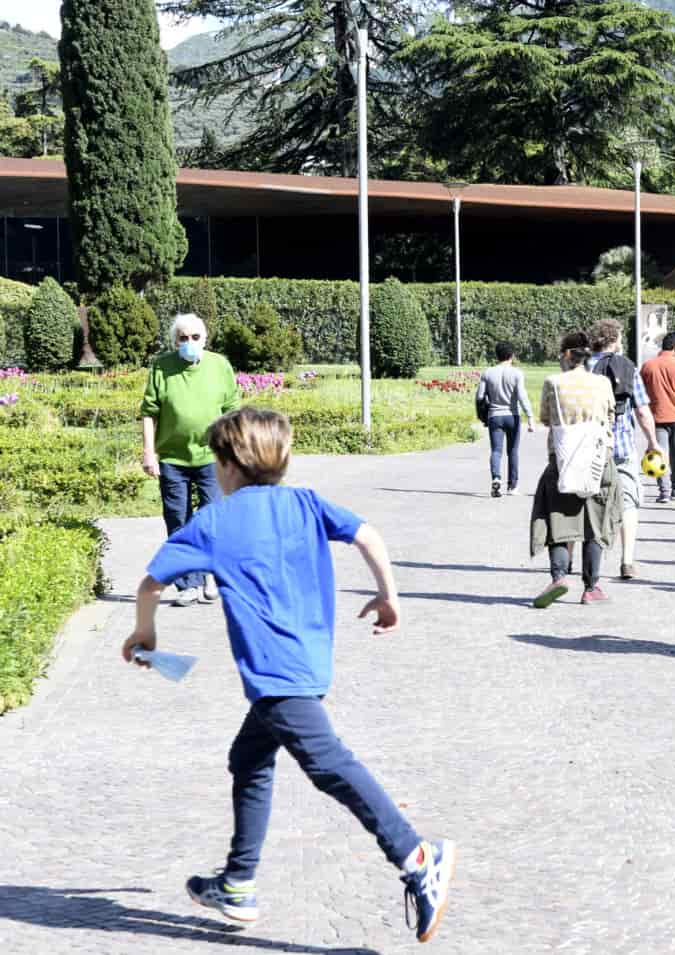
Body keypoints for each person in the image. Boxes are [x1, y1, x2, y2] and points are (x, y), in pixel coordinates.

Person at [120, 407, 454, 945]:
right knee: (248, 758)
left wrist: (145, 635)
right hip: (308, 662)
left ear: (226, 465)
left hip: (276, 674)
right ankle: (237, 882)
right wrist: (389, 595)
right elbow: (368, 534)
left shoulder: (213, 521)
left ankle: (417, 856)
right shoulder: (305, 502)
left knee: (328, 765)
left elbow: (150, 584)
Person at [140, 313, 240, 607]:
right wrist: (149, 452)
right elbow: (149, 412)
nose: (189, 343)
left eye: (195, 337)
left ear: (205, 339)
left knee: (210, 520)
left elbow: (232, 411)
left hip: (211, 457)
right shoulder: (162, 367)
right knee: (177, 521)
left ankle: (210, 575)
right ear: (175, 341)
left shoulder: (220, 366)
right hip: (172, 458)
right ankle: (187, 584)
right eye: (182, 338)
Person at [530, 331, 624, 607]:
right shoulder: (602, 383)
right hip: (599, 460)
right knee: (596, 522)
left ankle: (559, 577)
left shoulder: (553, 382)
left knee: (558, 519)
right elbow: (610, 416)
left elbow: (546, 418)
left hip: (562, 460)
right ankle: (591, 587)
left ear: (567, 355)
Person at [587, 319, 661, 579]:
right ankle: (627, 560)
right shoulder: (628, 367)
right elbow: (642, 411)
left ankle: (583, 562)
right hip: (622, 446)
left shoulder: (583, 367)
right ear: (616, 340)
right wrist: (653, 443)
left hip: (589, 447)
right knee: (628, 502)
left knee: (587, 500)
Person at [640, 331, 675, 504]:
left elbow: (641, 393)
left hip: (656, 417)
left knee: (659, 454)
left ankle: (663, 491)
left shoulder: (648, 366)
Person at [476, 341, 535, 497]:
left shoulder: (488, 373)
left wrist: (482, 416)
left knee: (496, 451)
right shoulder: (517, 373)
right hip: (512, 416)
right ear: (512, 355)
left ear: (497, 355)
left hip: (494, 416)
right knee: (513, 451)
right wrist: (530, 417)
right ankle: (512, 486)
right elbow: (522, 396)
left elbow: (480, 397)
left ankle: (496, 477)